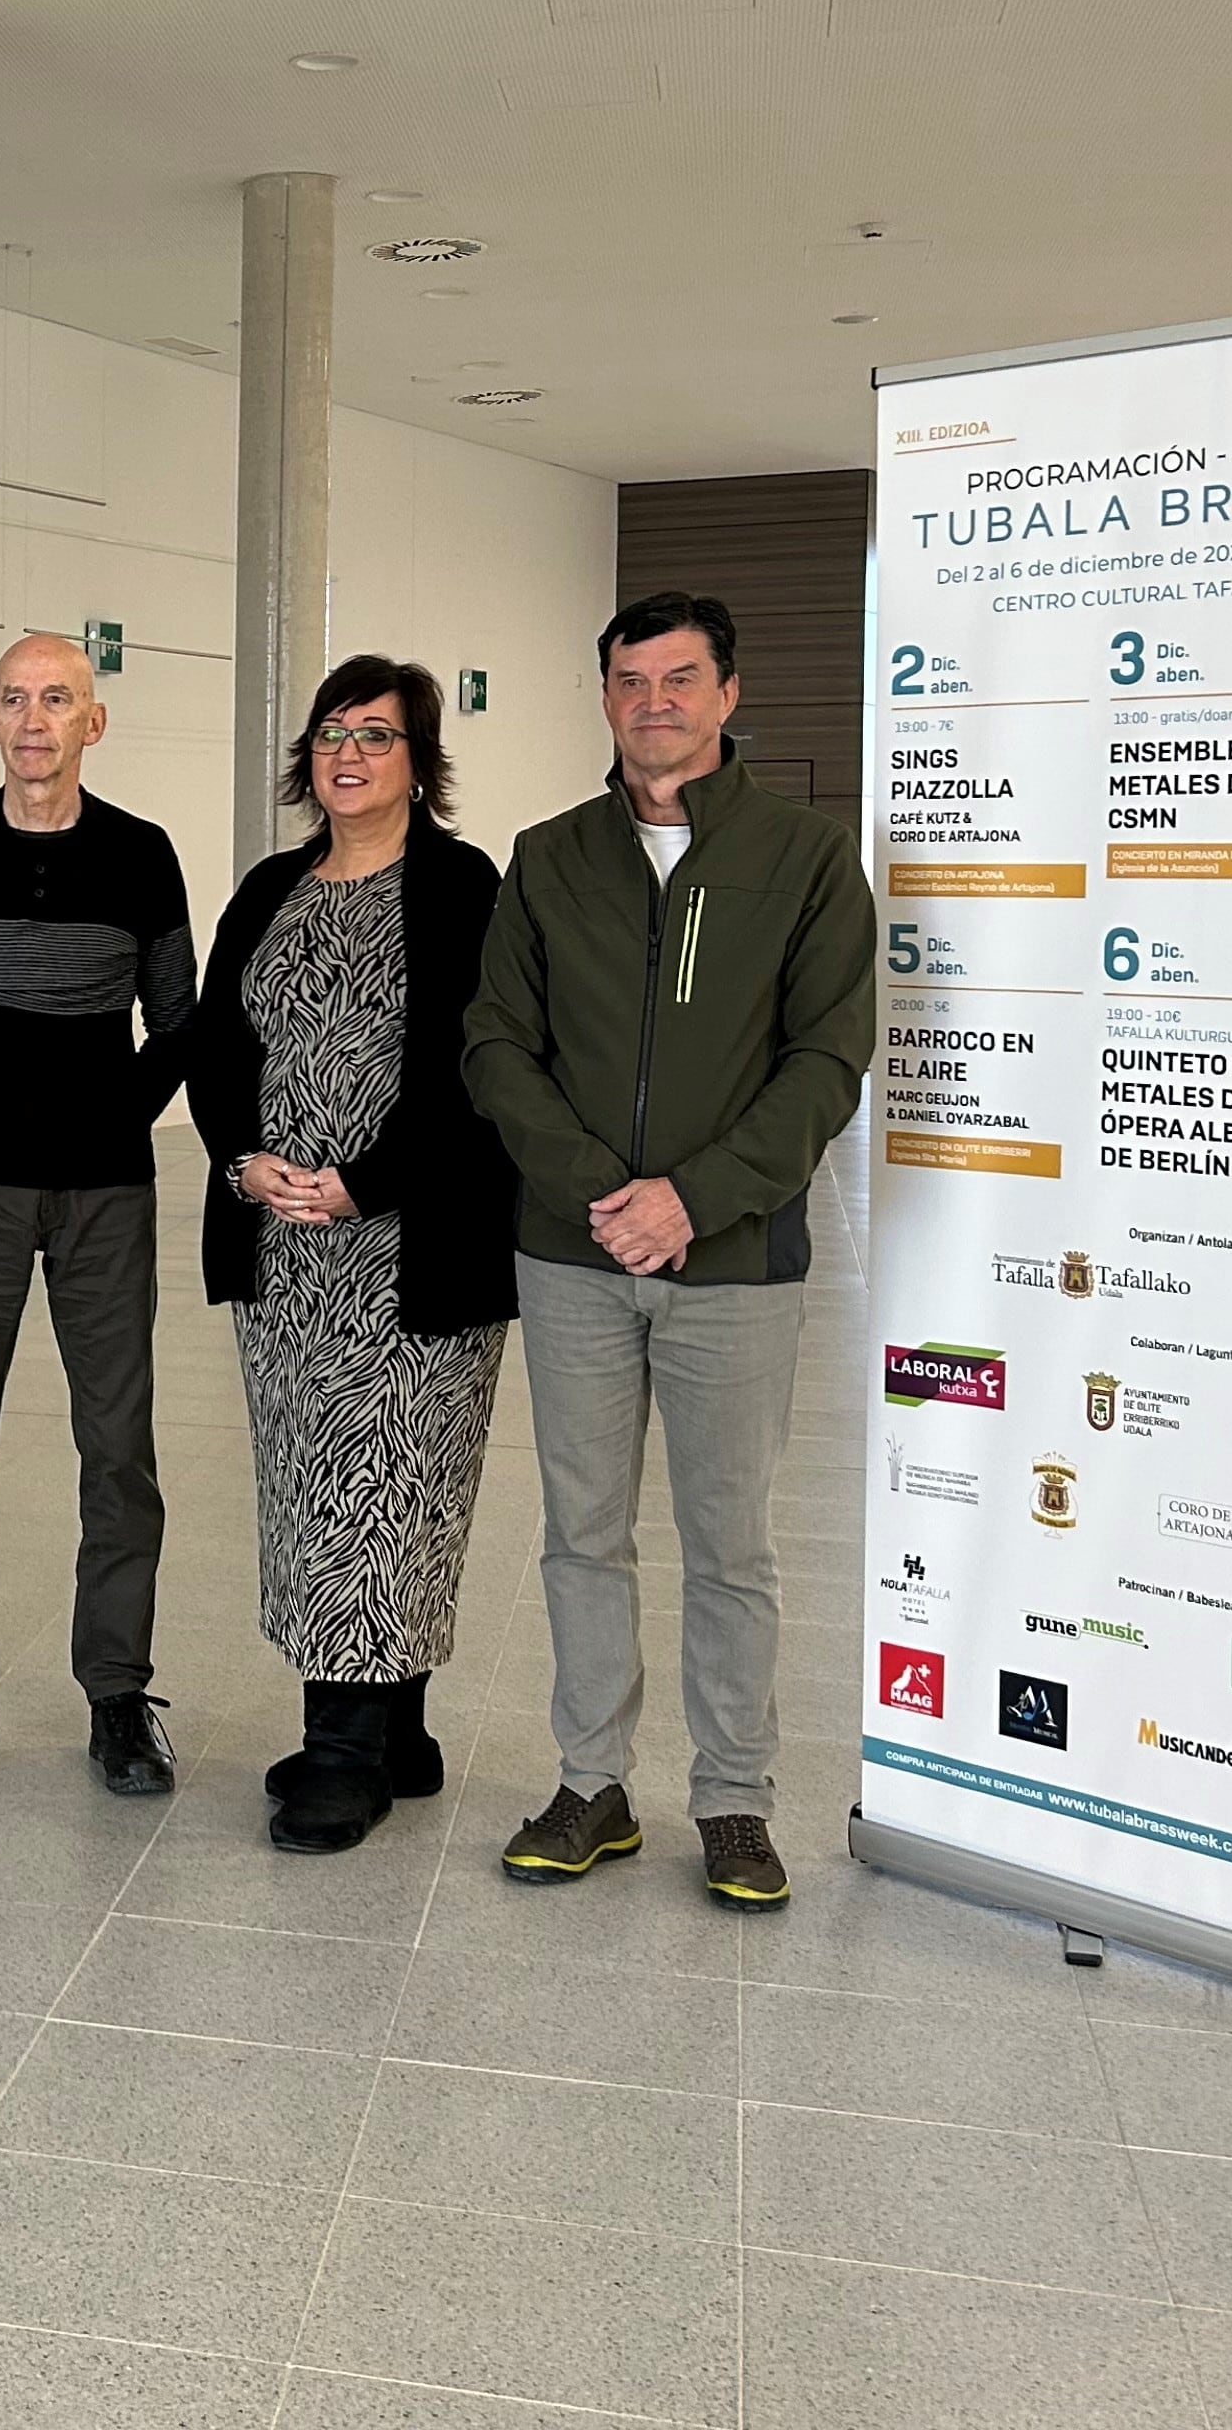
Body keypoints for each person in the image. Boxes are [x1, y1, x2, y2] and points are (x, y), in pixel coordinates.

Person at [462, 590, 876, 1910]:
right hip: (573, 1254)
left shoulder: (805, 857)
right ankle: (592, 1784)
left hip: (734, 1264)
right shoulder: (550, 856)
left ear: (728, 694)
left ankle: (735, 1799)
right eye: (631, 681)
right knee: (581, 1535)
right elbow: (496, 1044)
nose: (656, 703)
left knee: (730, 1545)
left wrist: (692, 1200)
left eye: (681, 678)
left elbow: (828, 1060)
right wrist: (604, 1194)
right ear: (605, 697)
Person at [186, 659, 519, 1854]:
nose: (349, 755)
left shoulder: (462, 885)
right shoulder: (271, 886)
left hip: (411, 1246)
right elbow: (215, 1043)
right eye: (333, 733)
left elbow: (481, 1062)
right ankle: (394, 1732)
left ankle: (341, 1754)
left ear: (419, 763)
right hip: (286, 1256)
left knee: (388, 1490)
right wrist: (243, 1160)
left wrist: (367, 1179)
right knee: (312, 1487)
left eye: (378, 736)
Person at [0, 632, 195, 1800]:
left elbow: (176, 1021)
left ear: (90, 723)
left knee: (117, 1448)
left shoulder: (140, 854)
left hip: (105, 1192)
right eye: (13, 699)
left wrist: (110, 1115)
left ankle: (117, 1693)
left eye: (56, 699)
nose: (32, 719)